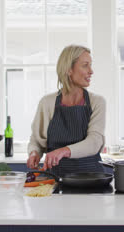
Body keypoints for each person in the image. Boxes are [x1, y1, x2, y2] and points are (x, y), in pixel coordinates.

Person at [26, 45, 106, 177]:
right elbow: (36, 140)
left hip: (91, 180)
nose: (91, 71)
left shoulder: (97, 102)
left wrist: (63, 151)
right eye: (85, 65)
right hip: (55, 179)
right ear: (69, 70)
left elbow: (94, 142)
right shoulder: (47, 102)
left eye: (90, 65)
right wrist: (34, 153)